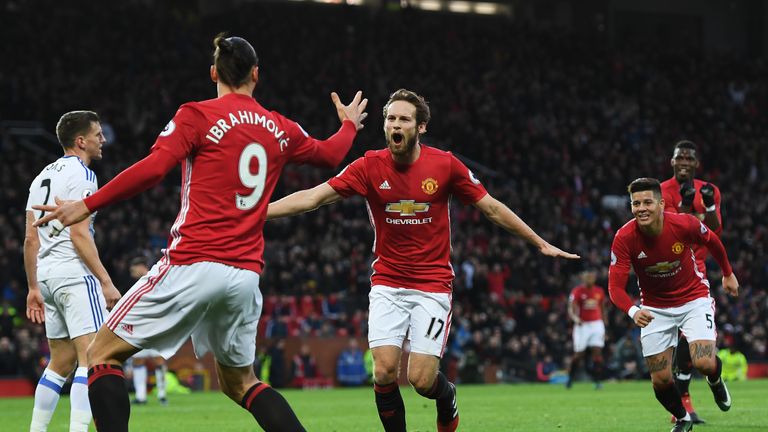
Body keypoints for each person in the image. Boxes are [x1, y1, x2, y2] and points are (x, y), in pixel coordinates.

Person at [33, 34, 368, 432]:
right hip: (245, 275)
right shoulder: (281, 127)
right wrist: (348, 125)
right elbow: (330, 154)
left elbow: (155, 168)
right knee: (241, 383)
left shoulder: (197, 115)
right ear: (256, 75)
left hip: (192, 261)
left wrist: (87, 204)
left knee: (102, 354)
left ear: (213, 73)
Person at [266, 88, 579, 432]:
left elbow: (490, 207)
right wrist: (258, 213)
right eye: (390, 119)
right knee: (384, 371)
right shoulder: (369, 165)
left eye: (403, 119)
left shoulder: (444, 165)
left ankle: (447, 398)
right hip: (386, 282)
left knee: (420, 379)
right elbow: (313, 197)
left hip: (431, 287)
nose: (395, 125)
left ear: (421, 127)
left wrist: (539, 243)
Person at [608, 177, 739, 432]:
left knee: (703, 363)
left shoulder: (683, 223)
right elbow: (614, 288)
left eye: (647, 202)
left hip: (693, 299)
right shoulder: (624, 237)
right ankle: (683, 418)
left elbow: (713, 241)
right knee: (660, 380)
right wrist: (633, 310)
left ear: (661, 203)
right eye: (636, 204)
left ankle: (715, 380)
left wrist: (727, 273)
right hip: (655, 308)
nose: (641, 208)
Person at [24, 110, 121, 431]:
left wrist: (33, 288)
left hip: (48, 275)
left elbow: (29, 239)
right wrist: (105, 282)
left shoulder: (40, 178)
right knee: (92, 357)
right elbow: (79, 234)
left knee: (59, 363)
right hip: (74, 274)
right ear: (81, 141)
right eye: (97, 134)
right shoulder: (82, 175)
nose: (102, 139)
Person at [660, 140, 723, 424]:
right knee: (675, 347)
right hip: (667, 272)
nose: (684, 161)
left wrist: (707, 203)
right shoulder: (661, 191)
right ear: (672, 161)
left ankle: (689, 402)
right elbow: (671, 227)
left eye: (689, 158)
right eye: (679, 157)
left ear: (696, 163)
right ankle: (684, 404)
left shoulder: (709, 189)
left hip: (696, 274)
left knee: (690, 346)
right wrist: (688, 205)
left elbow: (713, 228)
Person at [126, 257, 168, 406]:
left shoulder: (156, 278)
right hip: (140, 326)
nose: (132, 273)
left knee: (158, 359)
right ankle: (141, 396)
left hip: (157, 325)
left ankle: (162, 395)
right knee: (138, 360)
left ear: (142, 266)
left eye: (133, 269)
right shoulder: (135, 284)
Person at [566, 268, 606, 389]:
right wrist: (575, 318)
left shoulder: (599, 291)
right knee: (579, 354)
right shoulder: (577, 291)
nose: (590, 278)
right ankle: (570, 378)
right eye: (587, 276)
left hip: (597, 324)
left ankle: (597, 381)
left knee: (597, 352)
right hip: (582, 326)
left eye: (592, 276)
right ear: (583, 278)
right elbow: (571, 309)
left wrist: (604, 325)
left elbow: (602, 308)